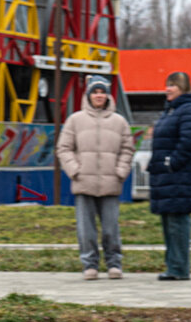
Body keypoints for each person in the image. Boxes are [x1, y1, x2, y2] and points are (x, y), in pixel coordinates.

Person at [56, 76, 135, 280]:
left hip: (110, 182)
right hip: (84, 182)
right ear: (88, 95)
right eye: (95, 92)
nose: (99, 96)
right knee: (86, 229)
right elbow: (64, 148)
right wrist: (75, 170)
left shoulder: (119, 122)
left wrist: (120, 171)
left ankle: (114, 264)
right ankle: (89, 265)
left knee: (111, 227)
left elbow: (128, 149)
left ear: (108, 95)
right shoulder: (75, 120)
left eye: (102, 92)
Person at [148, 71, 191, 281]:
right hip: (167, 176)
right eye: (167, 85)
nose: (167, 89)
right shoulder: (172, 110)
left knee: (178, 222)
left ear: (183, 87)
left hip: (180, 176)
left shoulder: (187, 109)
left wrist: (172, 163)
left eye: (172, 85)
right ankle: (173, 266)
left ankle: (179, 268)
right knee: (169, 221)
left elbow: (188, 141)